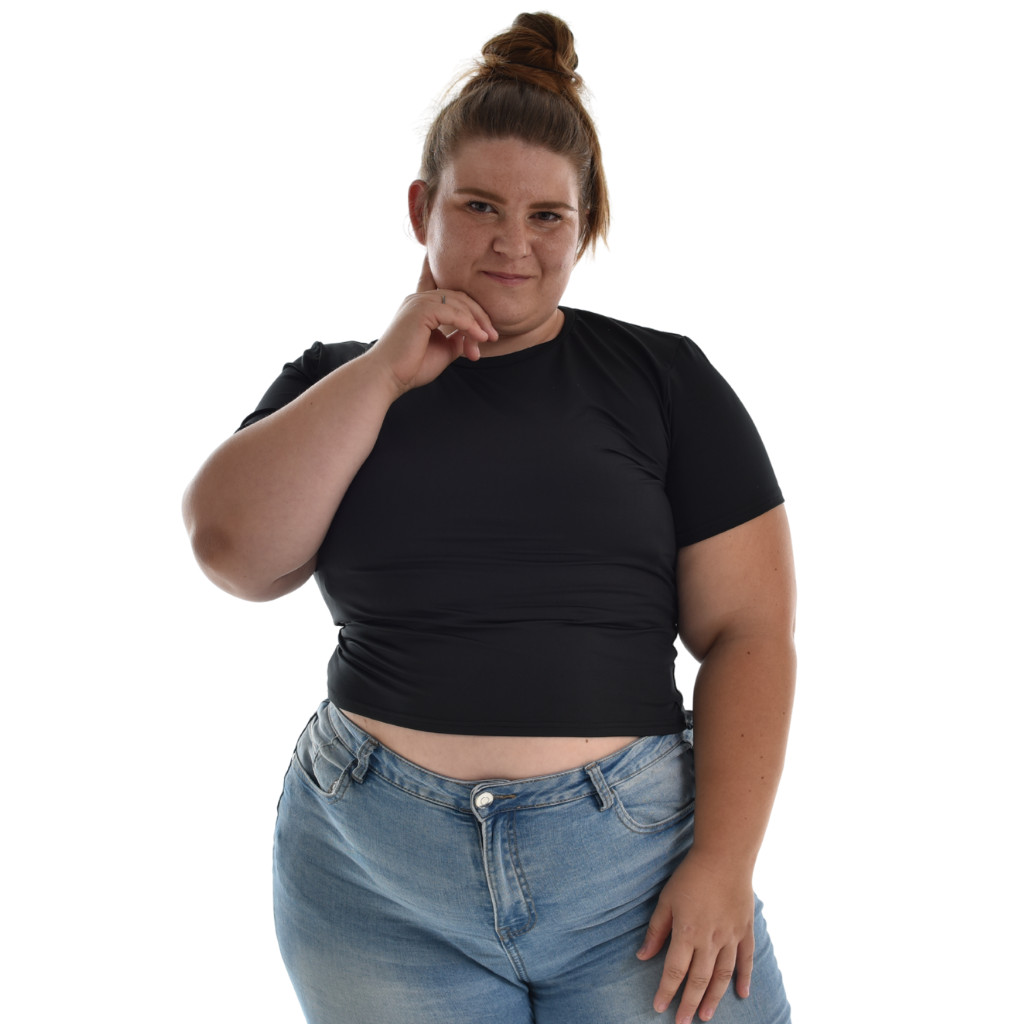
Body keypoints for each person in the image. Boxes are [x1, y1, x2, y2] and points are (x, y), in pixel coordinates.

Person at [183, 12, 796, 1024]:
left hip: (632, 875)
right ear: (421, 207)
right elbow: (235, 554)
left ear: (584, 226)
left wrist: (724, 864)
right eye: (478, 206)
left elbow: (748, 632)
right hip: (376, 877)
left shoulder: (663, 380)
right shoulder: (337, 385)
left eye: (547, 215)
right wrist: (387, 370)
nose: (513, 242)